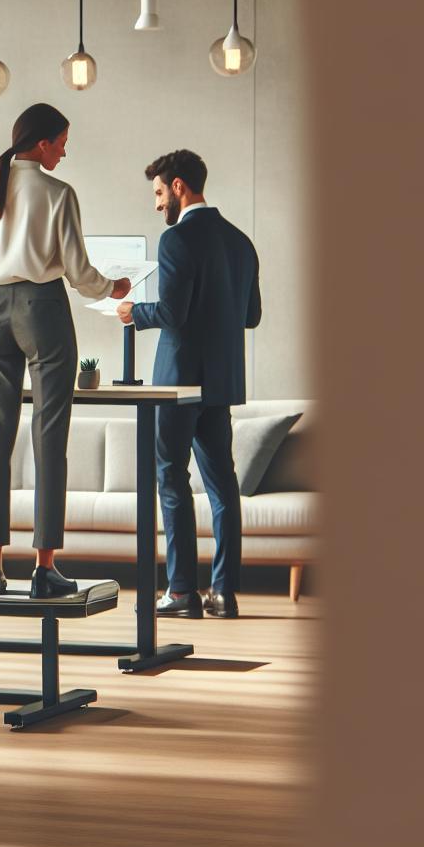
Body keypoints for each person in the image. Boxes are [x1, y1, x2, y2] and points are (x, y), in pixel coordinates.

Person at [0, 103, 129, 599]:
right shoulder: (58, 193)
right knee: (49, 438)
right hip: (43, 310)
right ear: (40, 144)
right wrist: (111, 287)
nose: (64, 150)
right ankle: (43, 568)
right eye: (61, 142)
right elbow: (79, 272)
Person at [119, 150, 262, 619]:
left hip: (178, 384)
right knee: (223, 486)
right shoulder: (241, 242)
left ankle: (180, 591)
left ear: (179, 186)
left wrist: (133, 313)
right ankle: (224, 593)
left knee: (171, 479)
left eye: (160, 193)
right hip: (220, 383)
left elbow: (173, 315)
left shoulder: (177, 240)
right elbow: (252, 316)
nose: (158, 205)